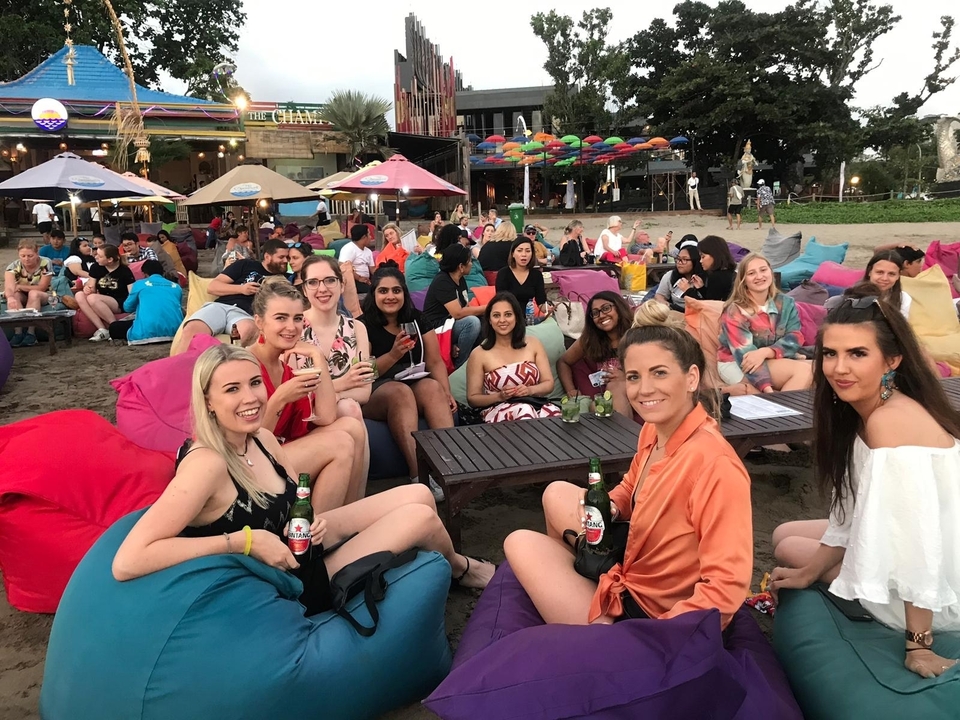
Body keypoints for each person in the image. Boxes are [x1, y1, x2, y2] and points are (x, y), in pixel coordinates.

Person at [111, 344, 495, 612]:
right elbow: (127, 561)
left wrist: (310, 520)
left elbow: (298, 497)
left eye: (254, 383)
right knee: (422, 518)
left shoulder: (259, 438)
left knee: (419, 497)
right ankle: (463, 569)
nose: (251, 397)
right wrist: (243, 541)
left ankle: (444, 567)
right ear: (208, 401)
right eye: (232, 389)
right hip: (291, 585)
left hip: (305, 544)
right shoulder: (206, 464)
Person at [502, 301, 753, 626]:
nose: (644, 389)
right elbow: (632, 487)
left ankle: (594, 625)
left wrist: (653, 636)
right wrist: (613, 506)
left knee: (519, 541)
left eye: (659, 373)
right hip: (634, 562)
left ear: (692, 378)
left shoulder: (716, 466)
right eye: (634, 376)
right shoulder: (653, 429)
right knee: (556, 492)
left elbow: (725, 588)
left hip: (651, 613)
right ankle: (581, 584)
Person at [768, 286, 960, 678]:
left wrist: (918, 646)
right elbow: (853, 513)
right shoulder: (873, 407)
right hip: (935, 544)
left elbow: (915, 542)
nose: (840, 368)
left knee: (788, 545)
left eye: (858, 354)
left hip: (942, 583)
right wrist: (808, 573)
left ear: (891, 360)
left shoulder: (890, 423)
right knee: (785, 532)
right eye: (830, 353)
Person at [247, 278, 369, 511]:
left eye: (297, 318)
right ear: (259, 322)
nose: (291, 327)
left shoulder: (287, 370)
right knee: (341, 443)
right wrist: (281, 397)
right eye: (281, 318)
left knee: (351, 427)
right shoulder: (244, 365)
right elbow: (252, 438)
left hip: (277, 452)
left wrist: (316, 355)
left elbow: (325, 417)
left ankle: (349, 513)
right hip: (248, 459)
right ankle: (318, 535)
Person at [360, 266, 456, 502]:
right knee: (400, 392)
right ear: (374, 295)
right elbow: (364, 372)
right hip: (375, 389)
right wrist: (393, 354)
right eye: (383, 291)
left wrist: (447, 391)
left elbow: (434, 360)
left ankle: (450, 471)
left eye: (396, 290)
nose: (390, 296)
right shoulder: (362, 325)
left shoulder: (417, 318)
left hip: (412, 378)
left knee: (432, 388)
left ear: (404, 293)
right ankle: (419, 476)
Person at [172, 240, 289, 354]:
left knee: (248, 330)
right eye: (281, 257)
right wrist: (242, 289)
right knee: (191, 329)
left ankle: (227, 367)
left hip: (245, 314)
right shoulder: (245, 264)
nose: (285, 261)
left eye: (287, 258)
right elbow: (212, 287)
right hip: (220, 306)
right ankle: (176, 370)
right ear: (268, 256)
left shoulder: (285, 279)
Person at [717, 253, 811, 393]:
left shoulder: (786, 303)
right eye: (751, 273)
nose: (759, 276)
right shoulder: (735, 311)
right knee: (804, 371)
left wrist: (767, 352)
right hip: (737, 361)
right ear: (743, 280)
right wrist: (767, 390)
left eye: (763, 270)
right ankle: (781, 410)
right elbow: (747, 357)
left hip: (768, 356)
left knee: (818, 370)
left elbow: (795, 337)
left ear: (771, 273)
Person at [466, 292, 560, 422]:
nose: (502, 320)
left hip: (534, 403)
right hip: (497, 409)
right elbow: (473, 398)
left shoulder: (533, 344)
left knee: (554, 414)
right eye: (496, 315)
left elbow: (548, 384)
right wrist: (500, 396)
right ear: (489, 320)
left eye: (508, 314)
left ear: (516, 317)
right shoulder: (479, 354)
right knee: (524, 410)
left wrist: (529, 390)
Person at [299, 256, 372, 421]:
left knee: (349, 408)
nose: (322, 288)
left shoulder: (358, 329)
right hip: (305, 417)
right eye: (313, 282)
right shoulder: (294, 328)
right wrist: (343, 383)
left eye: (330, 280)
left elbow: (365, 391)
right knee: (349, 408)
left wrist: (331, 394)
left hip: (347, 417)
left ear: (342, 285)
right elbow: (294, 391)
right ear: (304, 289)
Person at [557, 291, 633, 417]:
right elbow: (563, 362)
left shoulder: (635, 334)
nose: (602, 315)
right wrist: (570, 389)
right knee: (594, 405)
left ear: (619, 308)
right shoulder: (590, 339)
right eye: (595, 313)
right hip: (604, 396)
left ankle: (623, 435)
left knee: (615, 387)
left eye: (606, 308)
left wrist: (626, 376)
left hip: (633, 389)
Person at [421, 243, 485, 369]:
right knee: (472, 323)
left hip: (450, 324)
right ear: (461, 266)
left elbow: (465, 307)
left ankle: (479, 361)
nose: (472, 264)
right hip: (436, 328)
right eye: (469, 261)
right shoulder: (443, 281)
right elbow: (458, 313)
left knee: (484, 321)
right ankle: (461, 366)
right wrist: (487, 307)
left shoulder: (460, 279)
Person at [112, 259, 184, 344]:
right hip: (175, 332)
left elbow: (127, 307)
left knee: (114, 327)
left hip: (146, 332)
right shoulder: (176, 286)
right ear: (162, 272)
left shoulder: (140, 284)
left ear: (145, 273)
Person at [76, 244, 136, 342]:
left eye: (100, 256)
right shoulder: (96, 267)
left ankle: (114, 327)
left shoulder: (124, 271)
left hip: (119, 301)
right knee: (79, 295)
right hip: (101, 298)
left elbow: (131, 293)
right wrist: (87, 288)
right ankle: (102, 329)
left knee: (92, 298)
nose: (96, 257)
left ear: (110, 260)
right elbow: (92, 287)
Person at [826, 250, 911, 318]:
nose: (885, 278)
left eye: (891, 274)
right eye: (880, 272)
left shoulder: (904, 299)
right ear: (870, 272)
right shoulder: (853, 296)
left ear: (898, 276)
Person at [3, 239, 52, 347]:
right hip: (21, 294)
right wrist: (10, 297)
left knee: (34, 293)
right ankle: (18, 332)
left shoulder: (45, 262)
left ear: (36, 253)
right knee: (14, 295)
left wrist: (20, 286)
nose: (26, 259)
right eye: (23, 256)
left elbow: (42, 287)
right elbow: (9, 286)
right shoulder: (13, 266)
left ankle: (31, 332)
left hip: (42, 294)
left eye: (30, 256)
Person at [495, 237, 549, 313]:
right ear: (513, 254)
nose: (524, 254)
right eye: (519, 251)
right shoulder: (503, 273)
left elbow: (541, 302)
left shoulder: (536, 275)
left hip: (529, 317)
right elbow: (500, 302)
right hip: (509, 316)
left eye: (528, 251)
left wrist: (548, 309)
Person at [653, 238, 704, 312]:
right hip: (675, 313)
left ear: (695, 261)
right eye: (678, 259)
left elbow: (706, 305)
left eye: (685, 259)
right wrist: (665, 304)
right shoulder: (670, 276)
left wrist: (688, 291)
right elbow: (659, 295)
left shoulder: (704, 279)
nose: (679, 262)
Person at [685, 235, 736, 302]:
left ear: (715, 256)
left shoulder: (716, 277)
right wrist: (701, 288)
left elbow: (709, 307)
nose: (700, 261)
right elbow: (713, 297)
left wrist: (688, 290)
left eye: (703, 257)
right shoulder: (732, 273)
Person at [340, 225, 375, 294]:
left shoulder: (368, 251)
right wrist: (359, 278)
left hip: (366, 281)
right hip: (352, 281)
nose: (371, 237)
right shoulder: (349, 248)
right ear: (364, 237)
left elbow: (372, 269)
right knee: (371, 291)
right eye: (369, 234)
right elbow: (343, 267)